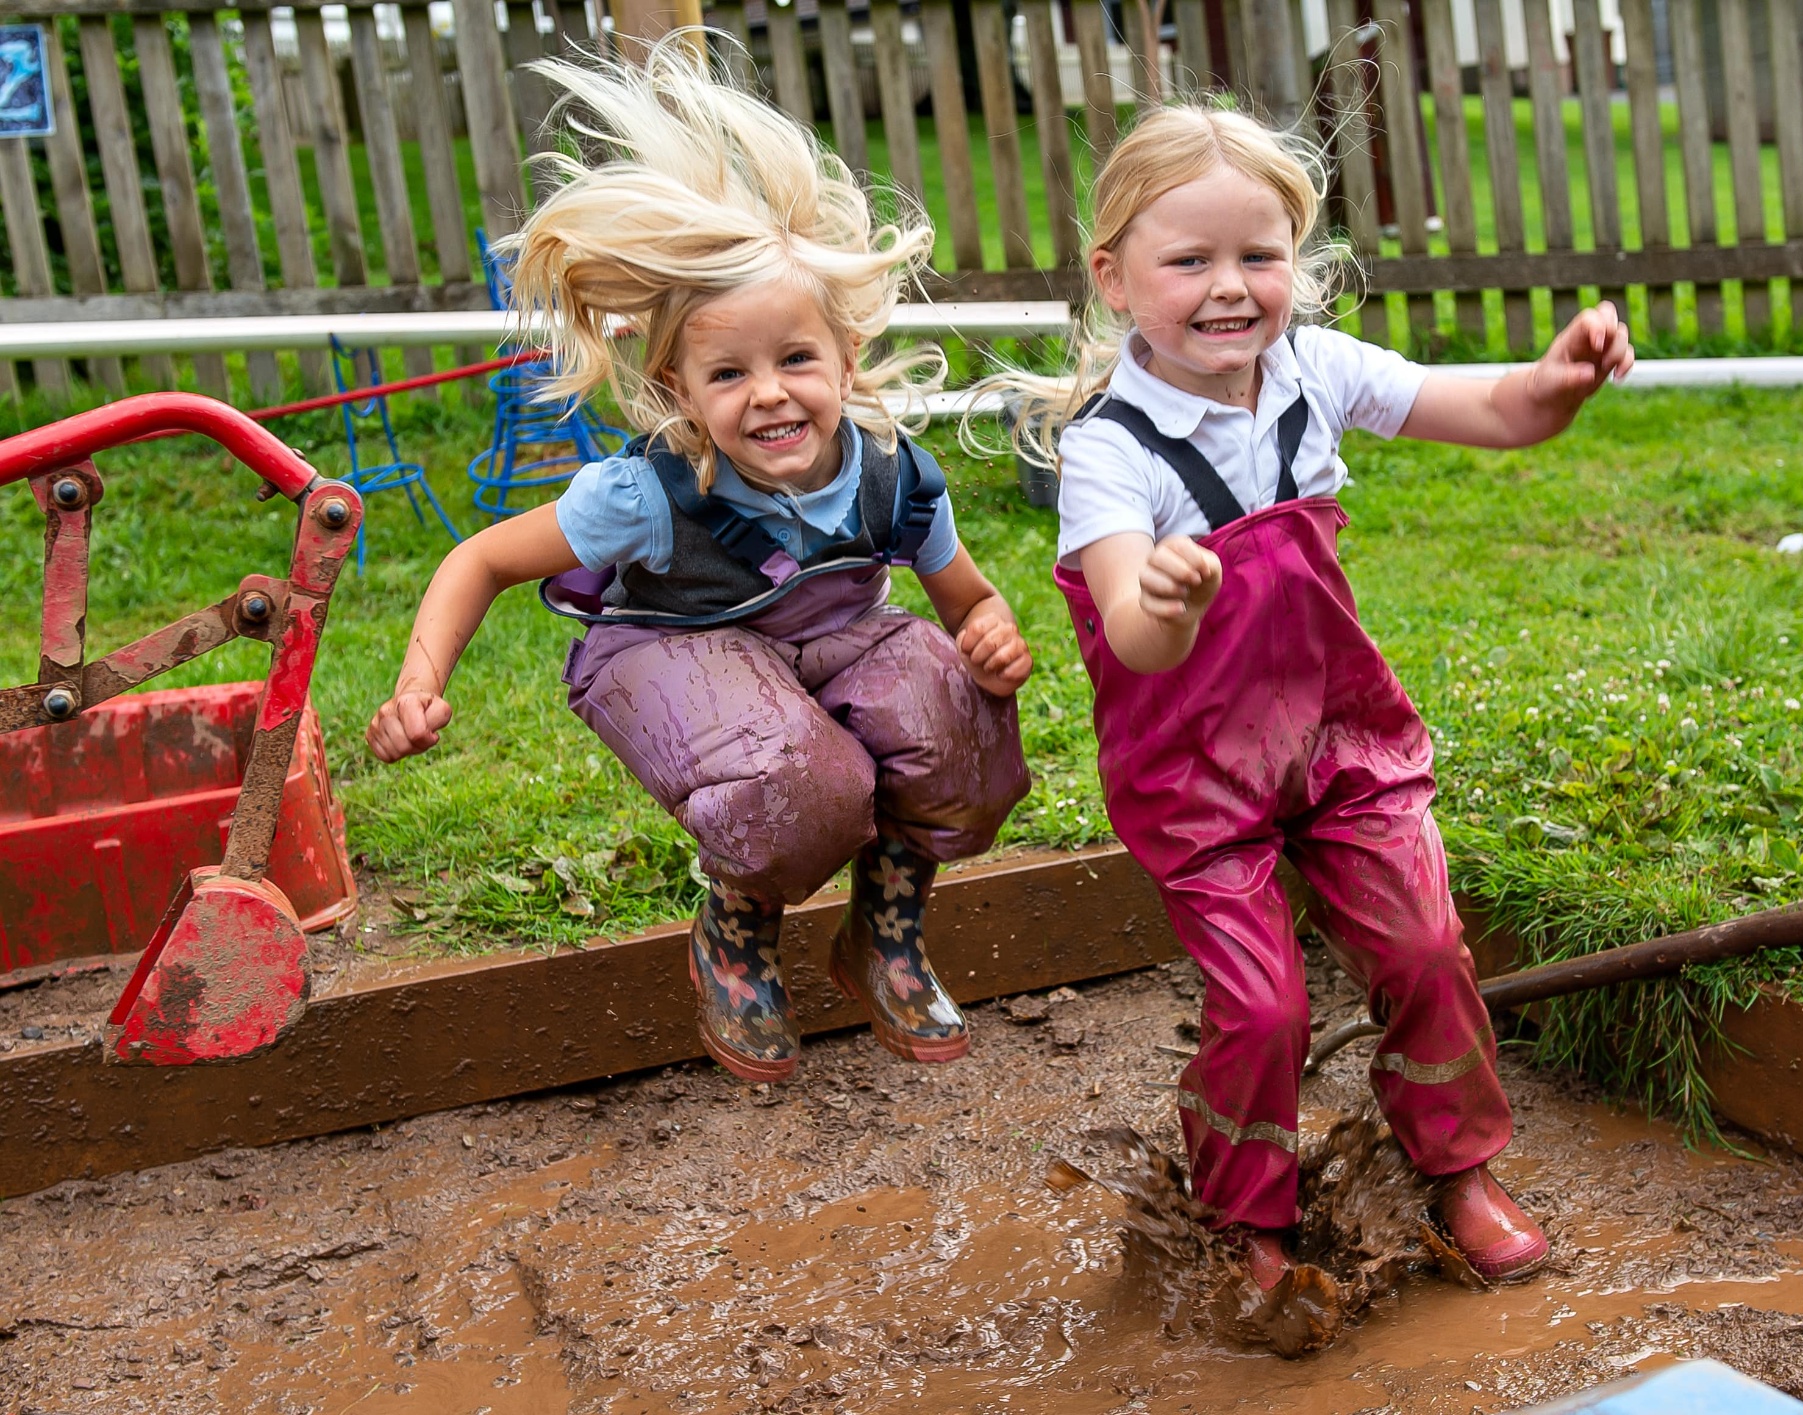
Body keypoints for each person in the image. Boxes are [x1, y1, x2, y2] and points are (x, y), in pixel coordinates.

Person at [995, 106, 1632, 1288]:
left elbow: (1497, 412)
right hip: (1192, 771)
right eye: (1188, 260)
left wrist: (1556, 382)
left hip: (1338, 739)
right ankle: (1246, 1216)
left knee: (1426, 945)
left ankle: (1457, 1168)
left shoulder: (1314, 371)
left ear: (1296, 259)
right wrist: (1170, 601)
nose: (1228, 287)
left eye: (1258, 254)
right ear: (1113, 276)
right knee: (1264, 1006)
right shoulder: (1110, 448)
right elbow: (1129, 629)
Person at [366, 38, 1032, 1084]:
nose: (768, 393)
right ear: (679, 388)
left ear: (845, 358)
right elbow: (482, 560)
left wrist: (990, 641)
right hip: (672, 652)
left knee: (963, 727)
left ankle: (884, 931)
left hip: (832, 639)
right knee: (808, 782)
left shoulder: (894, 474)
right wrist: (417, 684)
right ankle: (734, 930)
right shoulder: (642, 494)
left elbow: (970, 603)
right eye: (729, 373)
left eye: (796, 359)